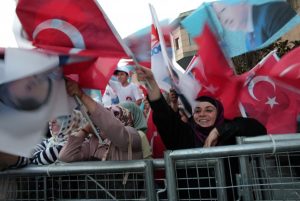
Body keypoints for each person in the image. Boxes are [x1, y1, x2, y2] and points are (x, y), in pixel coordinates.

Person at [137, 65, 267, 199]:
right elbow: (163, 115)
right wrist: (151, 81)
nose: (202, 114)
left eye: (209, 110)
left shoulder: (230, 131)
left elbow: (258, 129)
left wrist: (218, 131)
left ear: (219, 114)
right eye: (197, 111)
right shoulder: (186, 133)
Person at [58, 79, 146, 163]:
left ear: (130, 118)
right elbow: (65, 156)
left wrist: (82, 95)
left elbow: (112, 126)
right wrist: (85, 130)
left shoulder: (133, 136)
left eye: (116, 113)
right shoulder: (95, 142)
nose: (111, 115)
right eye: (110, 111)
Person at [212, 1, 297, 50]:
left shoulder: (272, 13)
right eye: (218, 18)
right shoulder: (248, 41)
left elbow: (290, 49)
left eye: (223, 10)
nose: (223, 20)